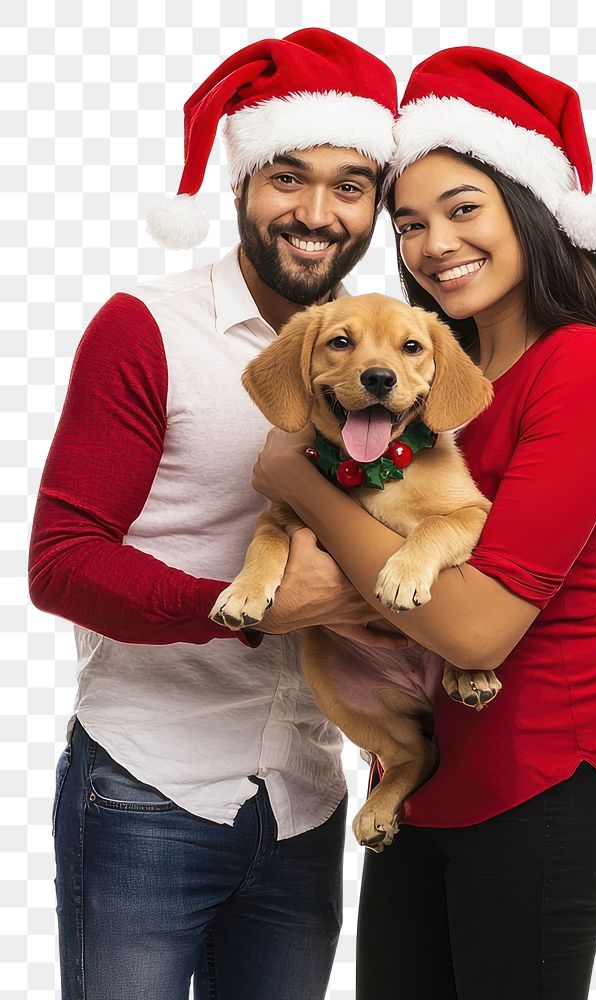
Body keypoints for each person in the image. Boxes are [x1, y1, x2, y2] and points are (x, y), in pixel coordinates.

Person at [249, 48, 596, 999]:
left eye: (462, 208)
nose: (432, 243)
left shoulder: (581, 366)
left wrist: (301, 483)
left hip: (543, 781)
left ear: (528, 207)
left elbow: (476, 627)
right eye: (409, 224)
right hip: (425, 782)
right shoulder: (435, 375)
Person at [28, 28, 399, 1000]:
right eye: (288, 177)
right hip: (147, 790)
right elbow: (61, 561)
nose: (315, 213)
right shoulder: (145, 327)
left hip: (305, 803)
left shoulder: (388, 354)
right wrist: (251, 606)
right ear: (239, 182)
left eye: (349, 184)